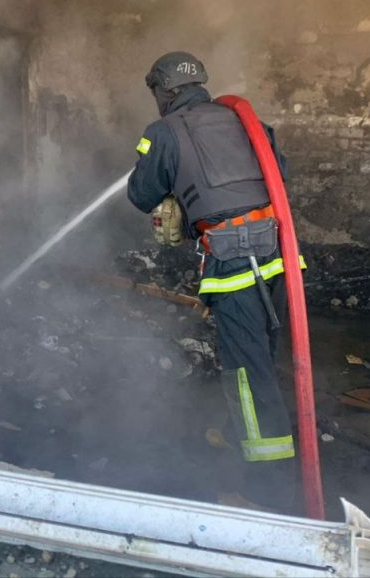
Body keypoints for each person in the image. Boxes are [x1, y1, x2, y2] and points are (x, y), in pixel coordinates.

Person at [127, 51, 298, 511]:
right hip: (278, 257)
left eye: (155, 91)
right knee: (263, 356)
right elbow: (279, 174)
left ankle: (266, 484)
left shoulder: (163, 132)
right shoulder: (244, 120)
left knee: (246, 370)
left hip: (235, 264)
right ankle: (250, 435)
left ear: (164, 89)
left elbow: (141, 194)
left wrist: (176, 195)